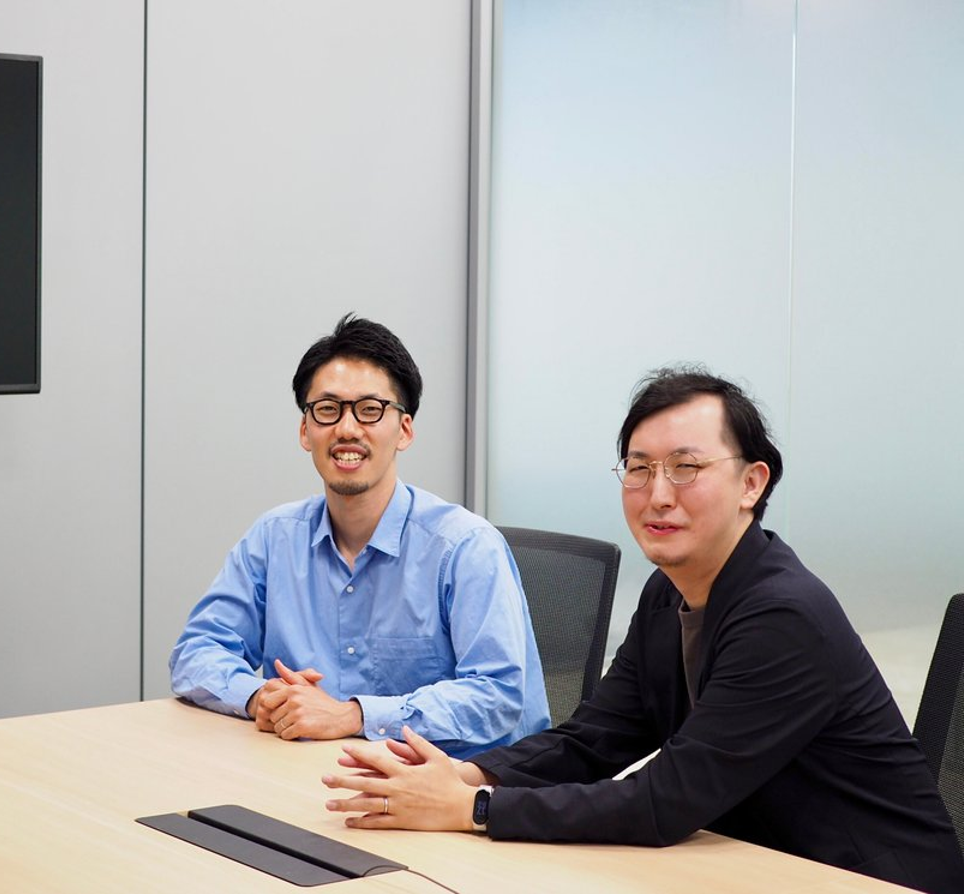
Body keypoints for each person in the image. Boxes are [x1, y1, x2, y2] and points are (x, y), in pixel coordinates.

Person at [323, 368, 964, 894]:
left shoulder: (784, 615)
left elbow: (665, 801)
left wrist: (474, 809)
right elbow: (593, 740)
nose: (658, 494)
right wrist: (467, 774)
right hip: (749, 864)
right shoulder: (669, 592)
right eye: (639, 468)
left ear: (752, 483)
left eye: (685, 468)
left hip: (867, 877)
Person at [170, 314, 548, 757]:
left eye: (370, 410)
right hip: (311, 774)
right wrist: (260, 698)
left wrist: (352, 715)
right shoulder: (273, 539)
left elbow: (498, 696)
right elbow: (196, 651)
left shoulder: (465, 547)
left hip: (452, 784)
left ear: (404, 430)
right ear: (305, 430)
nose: (347, 429)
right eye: (327, 410)